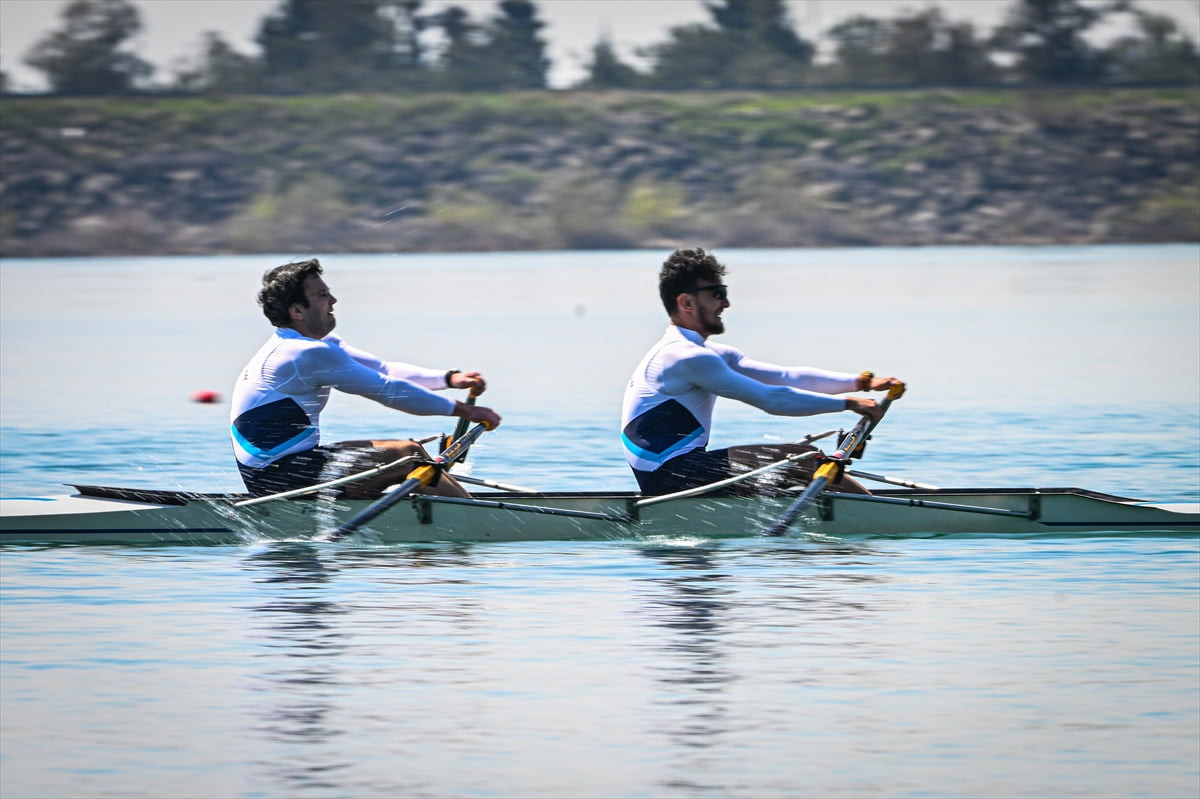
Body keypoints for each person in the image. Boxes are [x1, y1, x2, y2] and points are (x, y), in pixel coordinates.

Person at [621, 247, 903, 496]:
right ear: (686, 303)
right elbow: (772, 399)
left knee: (800, 464)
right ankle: (885, 514)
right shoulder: (685, 357)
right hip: (669, 476)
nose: (726, 304)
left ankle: (865, 510)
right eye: (717, 295)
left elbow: (786, 377)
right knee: (802, 460)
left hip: (684, 468)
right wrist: (848, 404)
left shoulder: (709, 354)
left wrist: (862, 383)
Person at [231, 258, 500, 499]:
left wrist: (449, 379)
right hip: (276, 477)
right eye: (323, 295)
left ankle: (448, 518)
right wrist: (465, 410)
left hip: (290, 465)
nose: (333, 301)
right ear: (297, 311)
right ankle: (482, 522)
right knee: (407, 455)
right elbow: (388, 391)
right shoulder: (304, 353)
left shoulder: (312, 345)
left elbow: (384, 370)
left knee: (409, 453)